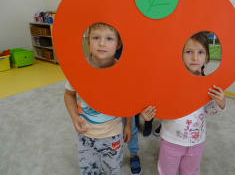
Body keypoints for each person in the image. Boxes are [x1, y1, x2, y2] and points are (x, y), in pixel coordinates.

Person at [141, 31, 226, 175]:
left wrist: (221, 102)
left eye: (200, 52)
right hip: (171, 139)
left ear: (206, 56)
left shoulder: (206, 84)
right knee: (167, 171)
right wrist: (146, 114)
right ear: (179, 53)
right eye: (189, 52)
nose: (195, 57)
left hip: (196, 141)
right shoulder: (169, 81)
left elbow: (209, 109)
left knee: (191, 172)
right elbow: (156, 103)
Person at [64, 22, 132, 175]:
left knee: (112, 171)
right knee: (88, 171)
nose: (102, 43)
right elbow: (69, 94)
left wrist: (127, 124)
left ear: (119, 43)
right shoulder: (79, 69)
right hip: (84, 135)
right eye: (96, 37)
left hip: (112, 135)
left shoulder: (123, 73)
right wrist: (74, 116)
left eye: (109, 38)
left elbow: (128, 102)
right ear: (88, 40)